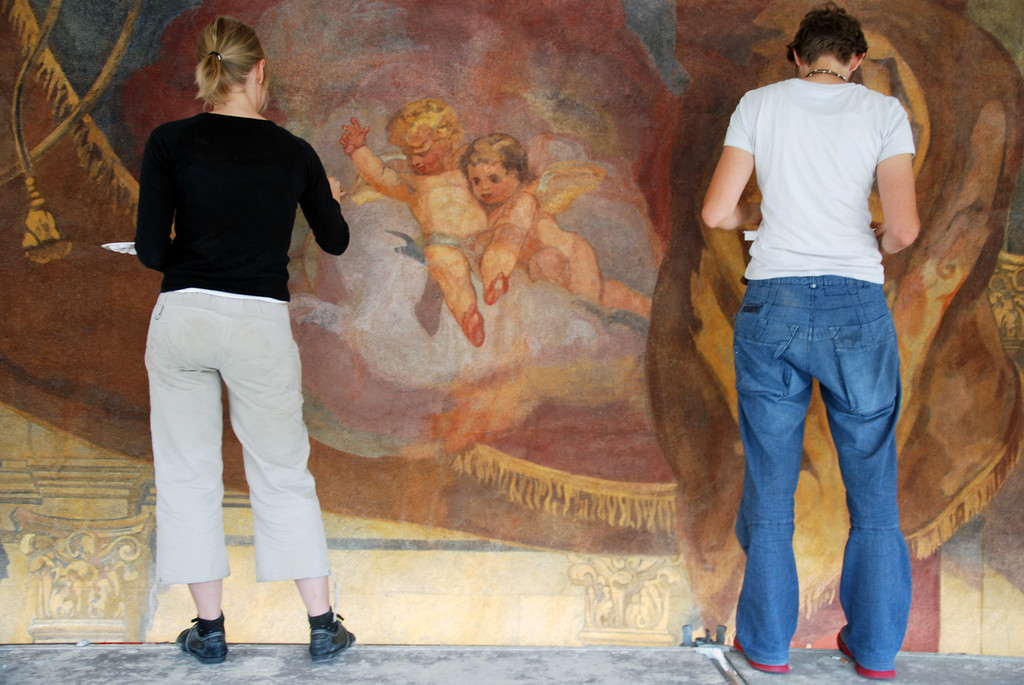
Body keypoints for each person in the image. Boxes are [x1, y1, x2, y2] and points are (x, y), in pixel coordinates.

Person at [700, 3, 919, 680]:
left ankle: (767, 648)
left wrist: (760, 215)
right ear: (856, 61)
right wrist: (875, 241)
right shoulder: (883, 112)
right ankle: (875, 650)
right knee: (873, 492)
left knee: (771, 489)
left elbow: (716, 212)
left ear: (797, 56)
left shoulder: (759, 104)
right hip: (856, 305)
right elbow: (904, 230)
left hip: (775, 303)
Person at [135, 16, 355, 664]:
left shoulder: (169, 141)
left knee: (187, 474)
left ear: (208, 73)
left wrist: (199, 251)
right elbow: (336, 239)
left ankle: (209, 632)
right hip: (259, 322)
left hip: (184, 315)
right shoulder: (294, 153)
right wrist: (328, 196)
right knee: (282, 472)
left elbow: (151, 250)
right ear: (260, 72)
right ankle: (322, 625)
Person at [340, 100, 489, 346]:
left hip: (483, 237)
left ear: (447, 140)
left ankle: (497, 282)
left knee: (500, 254)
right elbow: (380, 175)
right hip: (444, 245)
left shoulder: (467, 170)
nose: (416, 161)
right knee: (453, 278)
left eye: (422, 152)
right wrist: (358, 151)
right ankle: (468, 316)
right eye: (409, 155)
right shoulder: (414, 184)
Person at [460, 133, 651, 318]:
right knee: (604, 296)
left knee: (587, 308)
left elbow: (511, 237)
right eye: (476, 181)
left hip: (573, 256)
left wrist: (495, 273)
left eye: (494, 179)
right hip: (547, 266)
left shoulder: (524, 201)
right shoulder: (491, 212)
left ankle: (646, 310)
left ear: (516, 175)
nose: (484, 187)